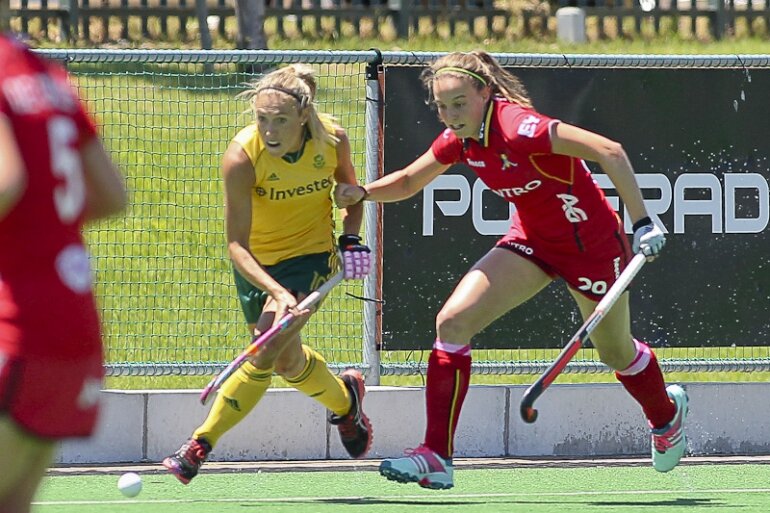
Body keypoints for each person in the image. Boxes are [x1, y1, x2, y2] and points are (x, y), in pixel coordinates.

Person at [335, 51, 687, 490]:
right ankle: (436, 455)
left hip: (591, 248)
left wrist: (641, 221)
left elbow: (609, 151)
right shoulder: (458, 139)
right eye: (443, 107)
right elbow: (408, 181)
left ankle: (666, 417)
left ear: (485, 92)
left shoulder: (523, 128)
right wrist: (362, 192)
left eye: (459, 103)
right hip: (533, 242)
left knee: (615, 353)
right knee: (452, 321)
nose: (450, 115)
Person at [163, 64, 373, 485]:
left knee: (264, 349)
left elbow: (350, 196)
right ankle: (346, 400)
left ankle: (199, 445)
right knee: (287, 360)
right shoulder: (242, 156)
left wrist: (350, 238)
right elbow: (236, 246)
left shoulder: (332, 139)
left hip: (310, 257)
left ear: (303, 116)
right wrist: (276, 292)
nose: (270, 130)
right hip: (257, 266)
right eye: (262, 120)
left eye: (280, 121)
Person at [0, 34, 128, 512]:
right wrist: (40, 228)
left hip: (14, 328)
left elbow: (7, 182)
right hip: (70, 331)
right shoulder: (45, 75)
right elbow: (112, 194)